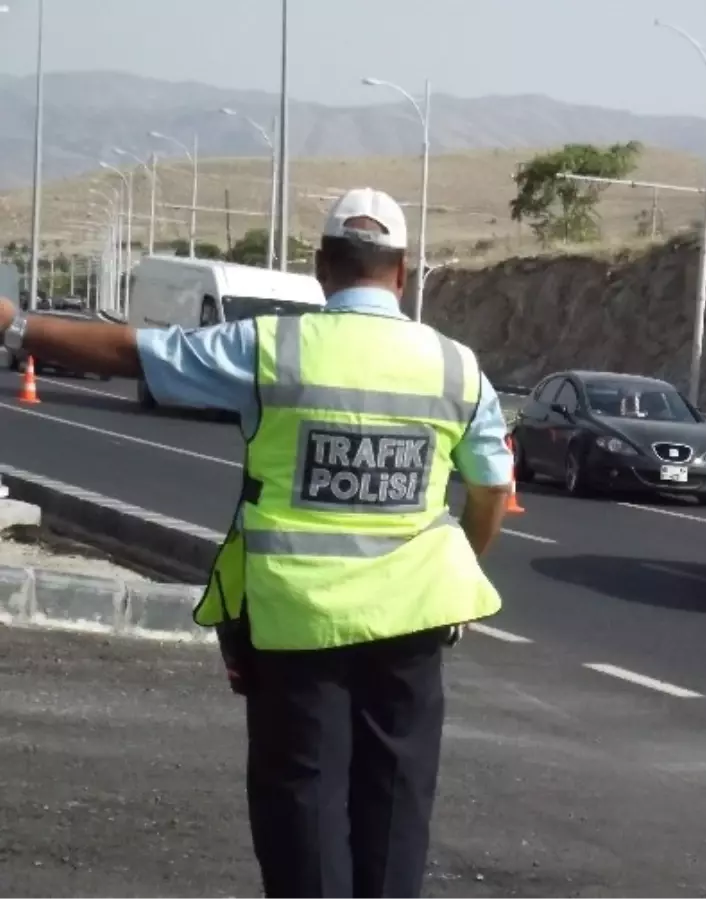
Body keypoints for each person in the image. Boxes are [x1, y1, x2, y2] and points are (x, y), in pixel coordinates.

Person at [0, 186, 514, 898]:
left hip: (294, 623)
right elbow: (490, 491)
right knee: (395, 807)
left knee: (301, 805)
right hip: (412, 629)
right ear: (401, 274)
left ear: (322, 268)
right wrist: (456, 572)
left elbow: (136, 353)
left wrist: (18, 325)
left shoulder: (273, 347)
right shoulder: (459, 368)